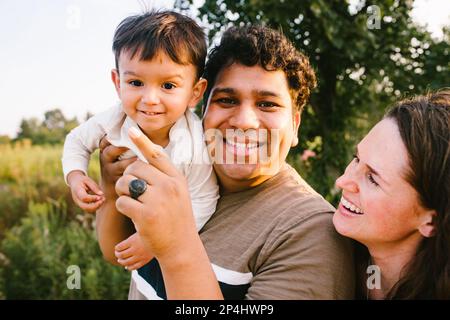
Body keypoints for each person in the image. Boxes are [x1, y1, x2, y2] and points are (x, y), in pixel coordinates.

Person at [98, 25, 355, 299]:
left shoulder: (309, 233)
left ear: (294, 125)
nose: (244, 121)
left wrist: (176, 247)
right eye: (227, 100)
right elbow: (120, 253)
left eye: (267, 104)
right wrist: (111, 189)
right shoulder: (175, 172)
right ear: (201, 111)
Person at [61, 11, 219, 273]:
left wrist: (156, 241)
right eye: (136, 82)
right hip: (126, 222)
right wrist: (76, 176)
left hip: (176, 243)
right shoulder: (115, 118)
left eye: (168, 86)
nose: (150, 99)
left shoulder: (193, 144)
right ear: (118, 82)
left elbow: (204, 201)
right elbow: (76, 140)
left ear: (195, 93)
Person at [332, 89, 450, 299]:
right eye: (356, 159)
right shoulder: (330, 256)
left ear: (431, 221)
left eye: (372, 179)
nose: (342, 181)